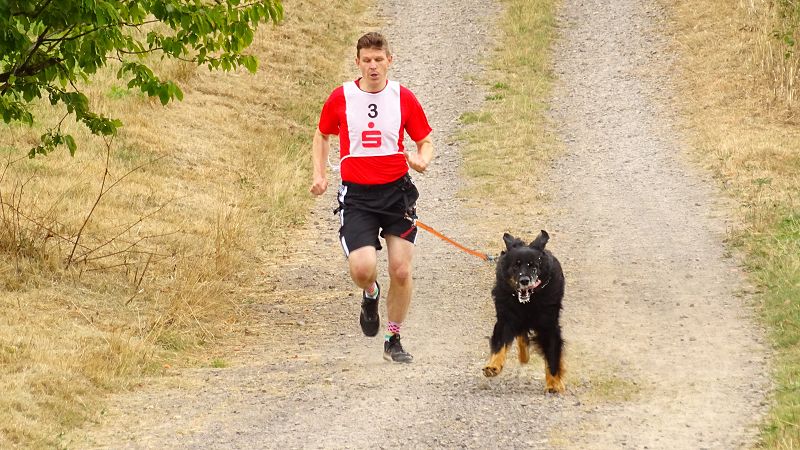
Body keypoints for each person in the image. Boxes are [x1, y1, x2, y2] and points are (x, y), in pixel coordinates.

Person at [310, 32, 433, 363]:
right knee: (364, 269)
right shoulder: (342, 97)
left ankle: (393, 338)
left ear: (389, 61)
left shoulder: (403, 97)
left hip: (397, 194)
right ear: (358, 62)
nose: (373, 66)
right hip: (358, 197)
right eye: (367, 60)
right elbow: (321, 135)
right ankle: (371, 293)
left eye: (379, 60)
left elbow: (425, 141)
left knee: (401, 270)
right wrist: (319, 175)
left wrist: (422, 159)